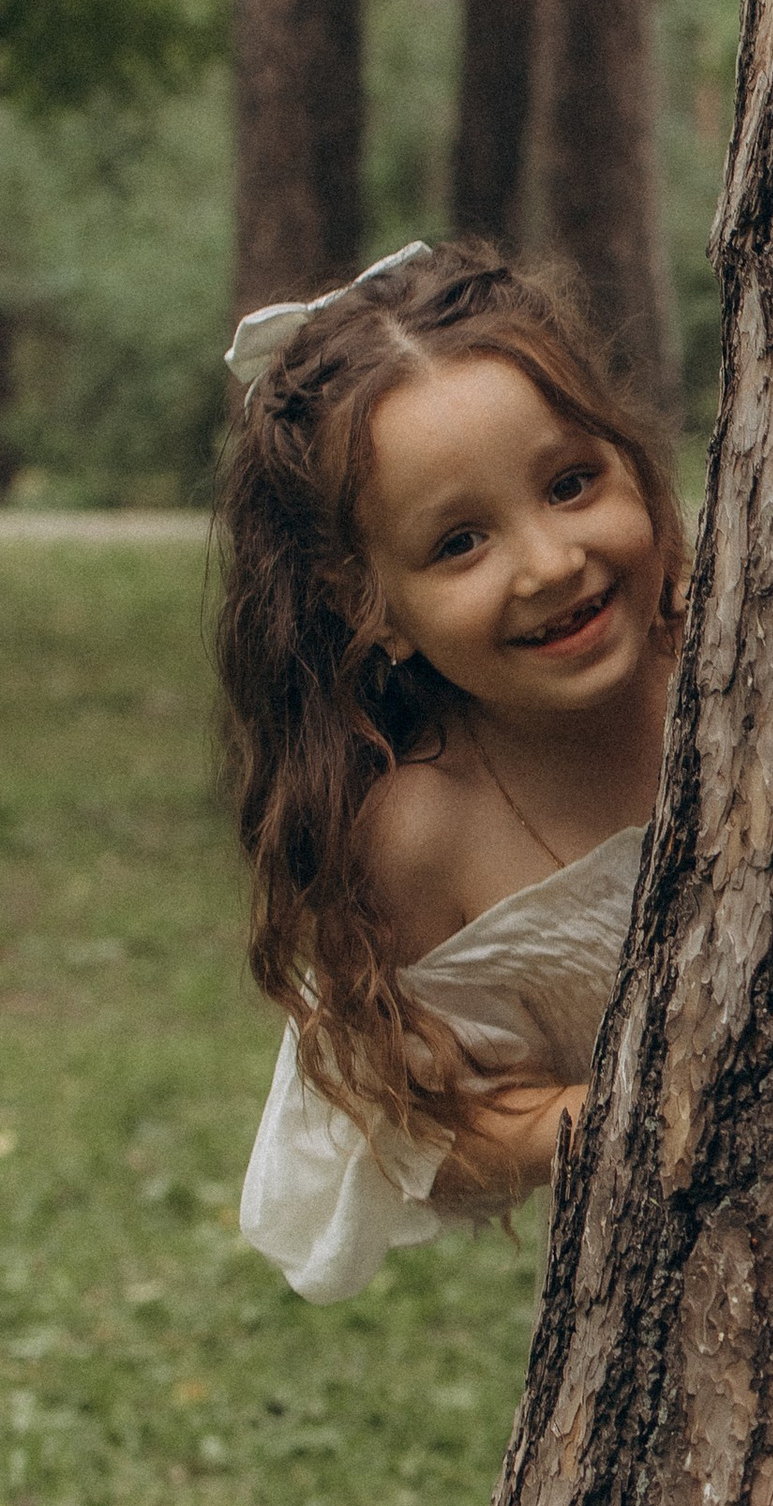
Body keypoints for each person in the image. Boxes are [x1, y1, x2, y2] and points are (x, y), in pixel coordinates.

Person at [215, 243, 683, 1302]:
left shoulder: (744, 652)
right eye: (460, 542)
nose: (550, 562)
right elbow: (422, 1126)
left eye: (571, 484)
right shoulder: (424, 830)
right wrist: (581, 1120)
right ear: (366, 605)